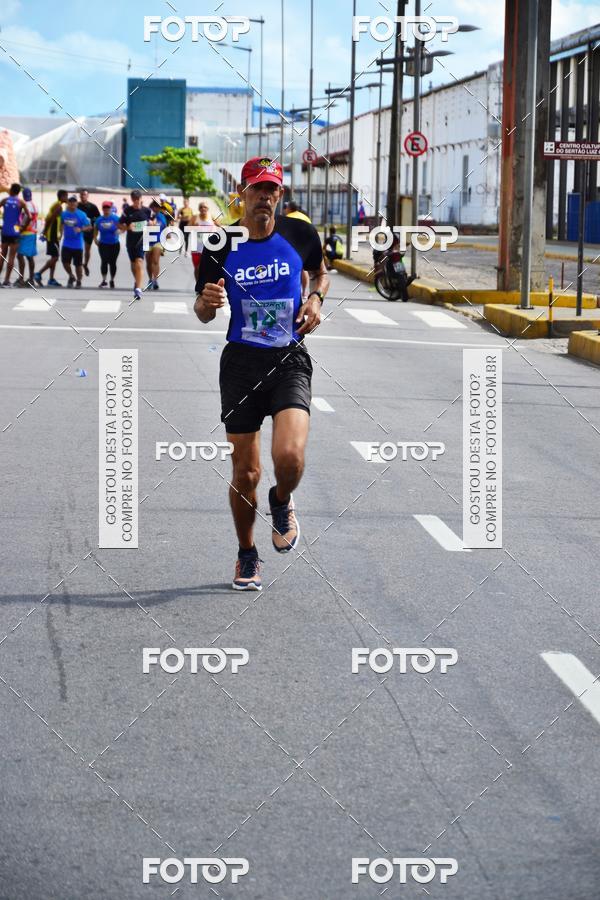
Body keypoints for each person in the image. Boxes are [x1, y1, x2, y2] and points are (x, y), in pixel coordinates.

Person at [194, 156, 329, 591]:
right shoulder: (220, 244)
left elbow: (321, 274)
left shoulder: (299, 234)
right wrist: (208, 302)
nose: (265, 197)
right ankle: (247, 554)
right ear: (243, 193)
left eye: (273, 189)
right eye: (257, 189)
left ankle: (282, 499)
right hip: (241, 364)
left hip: (289, 359)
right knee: (245, 473)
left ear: (281, 195)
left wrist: (314, 300)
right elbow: (200, 311)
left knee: (289, 458)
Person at [119, 189, 152, 300]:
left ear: (141, 199)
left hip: (142, 240)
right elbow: (119, 224)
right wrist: (127, 227)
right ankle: (137, 281)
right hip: (131, 241)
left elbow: (153, 221)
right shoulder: (127, 211)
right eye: (134, 199)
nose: (136, 201)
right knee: (134, 265)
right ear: (132, 199)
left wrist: (152, 224)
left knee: (139, 262)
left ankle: (138, 289)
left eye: (138, 199)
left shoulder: (147, 211)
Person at [34, 189, 67, 287]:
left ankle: (51, 279)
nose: (67, 198)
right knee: (56, 257)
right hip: (52, 235)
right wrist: (44, 232)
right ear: (61, 197)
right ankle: (38, 273)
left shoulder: (57, 204)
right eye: (66, 196)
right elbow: (50, 219)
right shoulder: (58, 206)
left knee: (54, 257)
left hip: (53, 235)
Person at [0, 183, 29, 287]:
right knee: (11, 256)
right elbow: (29, 216)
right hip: (15, 231)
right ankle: (6, 280)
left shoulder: (4, 200)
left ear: (11, 190)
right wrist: (22, 227)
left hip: (5, 231)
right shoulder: (21, 202)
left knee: (2, 255)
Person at [60, 195, 92, 287]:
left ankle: (78, 280)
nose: (72, 203)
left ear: (77, 203)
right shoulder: (64, 214)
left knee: (78, 265)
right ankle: (71, 275)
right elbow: (62, 223)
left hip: (77, 244)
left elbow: (89, 227)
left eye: (74, 202)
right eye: (70, 202)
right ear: (68, 203)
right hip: (66, 242)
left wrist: (81, 229)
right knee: (65, 262)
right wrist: (60, 233)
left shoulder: (81, 214)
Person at [94, 200, 121, 288]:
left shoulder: (115, 218)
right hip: (103, 244)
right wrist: (95, 238)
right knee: (104, 261)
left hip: (114, 244)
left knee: (112, 262)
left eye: (108, 208)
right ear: (102, 209)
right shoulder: (99, 219)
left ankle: (112, 279)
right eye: (104, 208)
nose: (106, 209)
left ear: (110, 208)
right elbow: (95, 229)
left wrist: (119, 231)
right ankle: (104, 280)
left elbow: (122, 227)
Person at [15, 187, 38, 287]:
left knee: (20, 256)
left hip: (26, 233)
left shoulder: (25, 205)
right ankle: (31, 279)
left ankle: (21, 279)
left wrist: (21, 229)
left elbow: (26, 218)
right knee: (29, 257)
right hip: (32, 233)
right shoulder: (35, 205)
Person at [78, 189, 101, 276]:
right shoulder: (77, 206)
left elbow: (98, 219)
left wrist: (92, 221)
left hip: (89, 230)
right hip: (79, 231)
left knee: (87, 249)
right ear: (80, 196)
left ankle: (85, 264)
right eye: (82, 195)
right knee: (79, 248)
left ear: (88, 196)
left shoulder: (92, 207)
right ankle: (79, 265)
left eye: (85, 195)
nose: (83, 196)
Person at [190, 201, 215, 281]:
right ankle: (198, 285)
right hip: (196, 246)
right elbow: (187, 228)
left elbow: (220, 227)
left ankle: (204, 285)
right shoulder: (195, 217)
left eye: (205, 207)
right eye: (201, 207)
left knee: (207, 267)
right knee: (197, 268)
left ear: (207, 209)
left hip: (208, 247)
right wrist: (194, 227)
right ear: (198, 208)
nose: (203, 208)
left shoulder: (212, 217)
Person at [146, 200, 167, 289]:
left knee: (155, 261)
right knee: (148, 262)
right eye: (153, 207)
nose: (155, 209)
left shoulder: (162, 217)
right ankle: (150, 279)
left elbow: (164, 228)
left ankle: (155, 280)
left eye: (157, 207)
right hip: (147, 240)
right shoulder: (146, 216)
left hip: (158, 241)